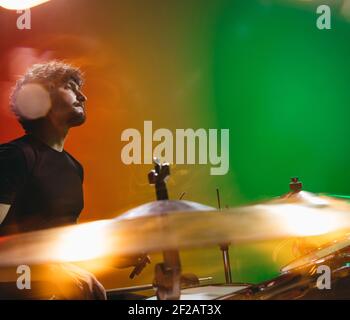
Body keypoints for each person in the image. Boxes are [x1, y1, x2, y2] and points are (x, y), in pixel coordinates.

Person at [0, 61, 137, 300]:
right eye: (70, 87)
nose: (82, 96)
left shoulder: (74, 167)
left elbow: (57, 246)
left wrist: (113, 257)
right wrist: (51, 270)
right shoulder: (15, 157)